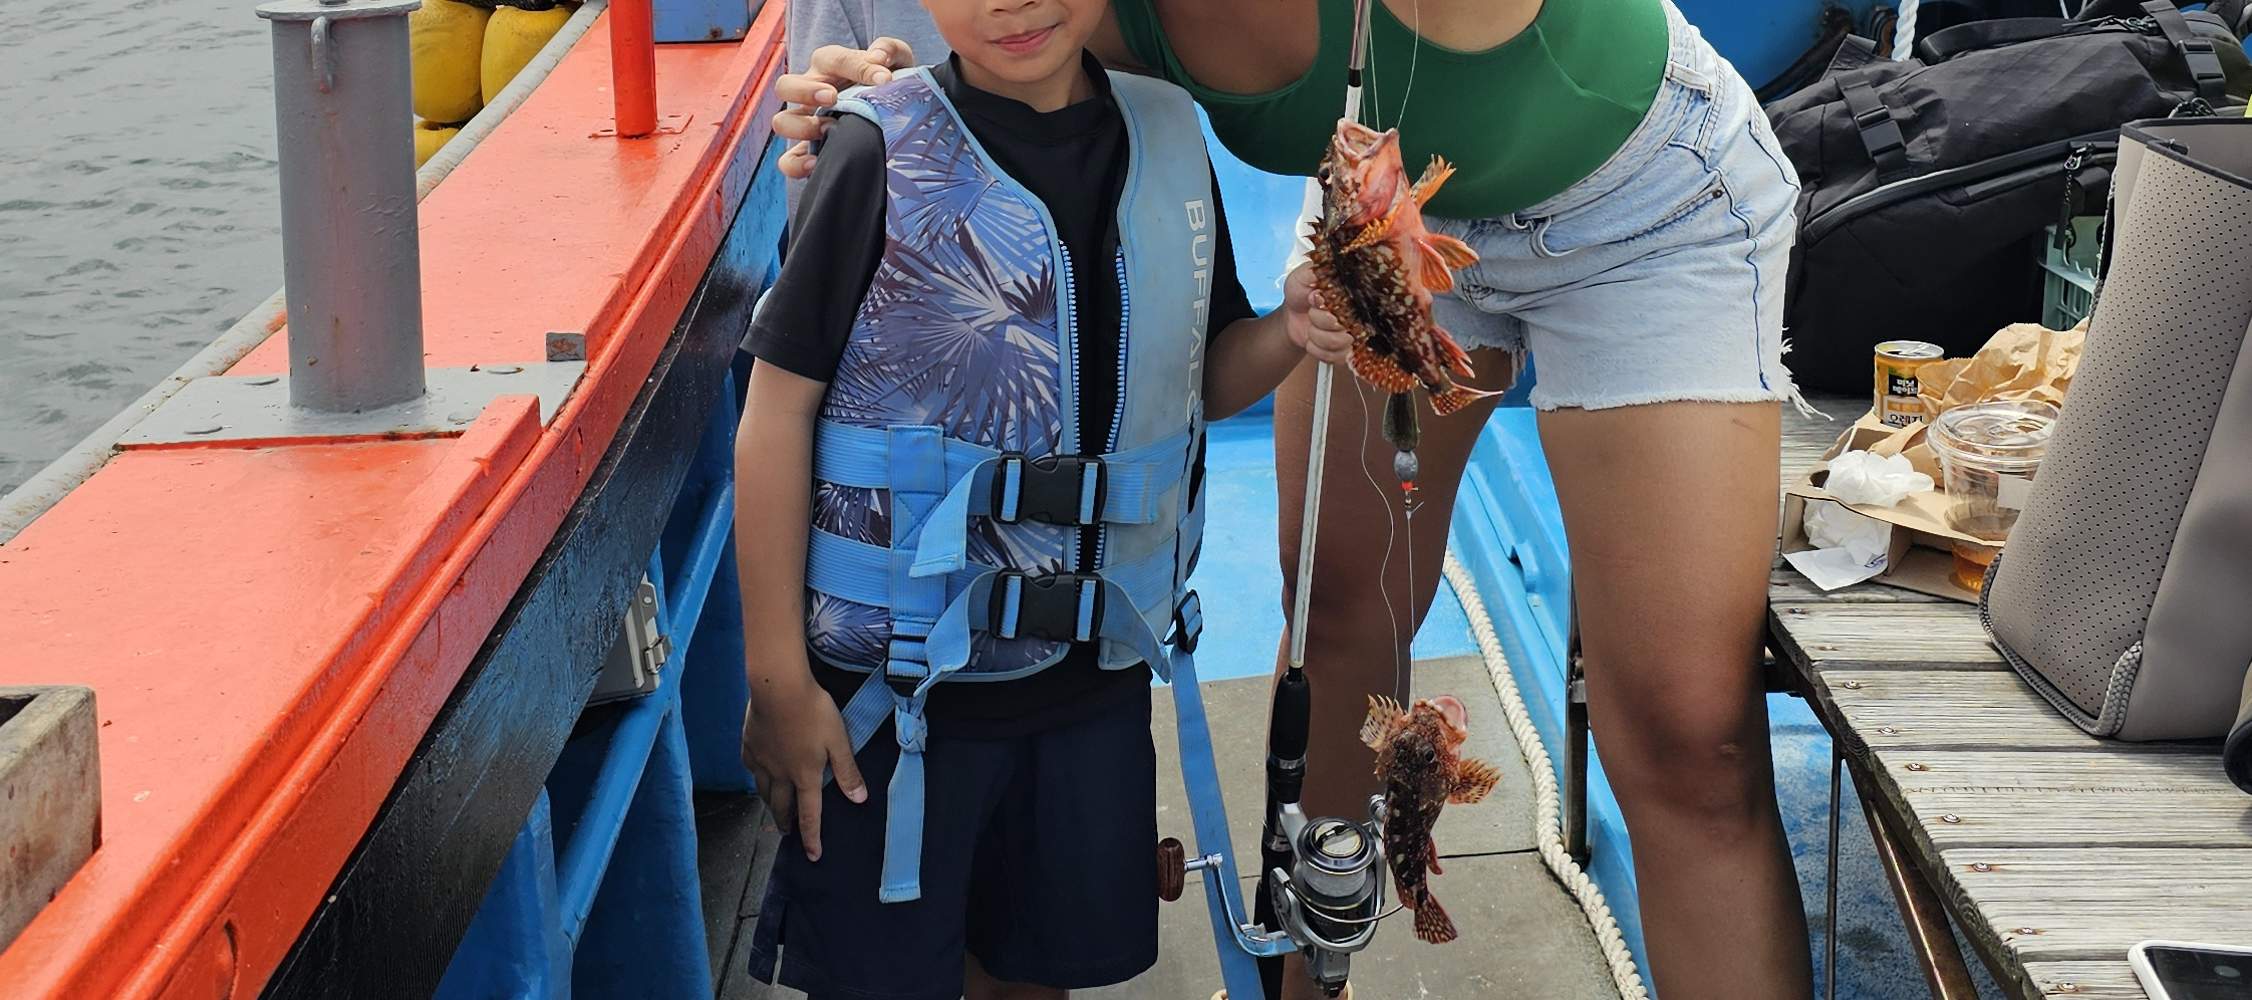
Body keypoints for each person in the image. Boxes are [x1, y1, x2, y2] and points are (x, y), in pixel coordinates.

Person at [772, 2, 1817, 998]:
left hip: (1645, 204)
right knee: (1336, 623)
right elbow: (924, 103)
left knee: (1689, 736)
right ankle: (1311, 971)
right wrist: (880, 101)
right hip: (1380, 197)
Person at [731, 0, 1351, 995]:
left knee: (1039, 974)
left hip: (1091, 682)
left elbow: (1202, 375)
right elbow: (775, 412)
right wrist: (774, 680)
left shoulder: (1166, 134)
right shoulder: (873, 149)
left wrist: (1293, 325)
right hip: (893, 703)